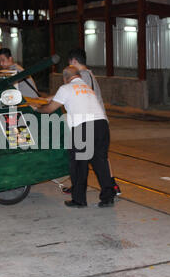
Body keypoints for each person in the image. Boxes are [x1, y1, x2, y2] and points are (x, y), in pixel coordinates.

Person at [31, 66, 118, 208]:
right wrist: (46, 98)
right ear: (78, 76)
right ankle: (108, 197)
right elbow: (63, 96)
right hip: (102, 126)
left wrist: (36, 108)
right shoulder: (87, 88)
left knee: (79, 166)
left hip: (83, 127)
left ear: (65, 78)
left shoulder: (65, 89)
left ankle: (79, 200)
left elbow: (50, 108)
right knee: (101, 163)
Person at [61, 48, 121, 196]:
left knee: (88, 158)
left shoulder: (84, 76)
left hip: (91, 121)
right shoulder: (88, 74)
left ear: (74, 62)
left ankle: (109, 187)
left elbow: (75, 93)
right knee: (95, 158)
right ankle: (105, 187)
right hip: (95, 121)